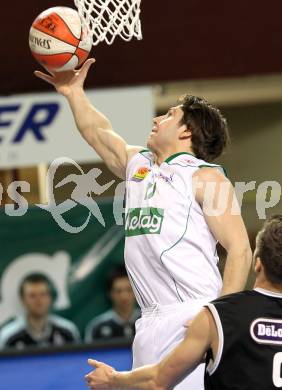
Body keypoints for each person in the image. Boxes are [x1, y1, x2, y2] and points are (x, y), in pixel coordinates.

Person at [35, 60, 251, 389]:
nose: (156, 118)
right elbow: (98, 133)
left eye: (168, 115)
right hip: (149, 320)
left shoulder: (204, 176)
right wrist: (73, 92)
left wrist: (222, 321)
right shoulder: (140, 164)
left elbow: (240, 250)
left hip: (192, 314)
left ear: (186, 131)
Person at [85, 214, 282, 390]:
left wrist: (112, 379)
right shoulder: (217, 316)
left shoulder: (217, 318)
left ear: (257, 263)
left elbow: (158, 381)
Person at [0, 273, 80, 349]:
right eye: (32, 296)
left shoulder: (68, 331)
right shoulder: (8, 336)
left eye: (43, 294)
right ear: (23, 300)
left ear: (50, 298)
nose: (39, 301)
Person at [85, 266, 140, 341]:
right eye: (118, 291)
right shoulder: (97, 327)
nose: (124, 296)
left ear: (136, 291)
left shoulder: (149, 321)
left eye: (129, 290)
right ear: (109, 293)